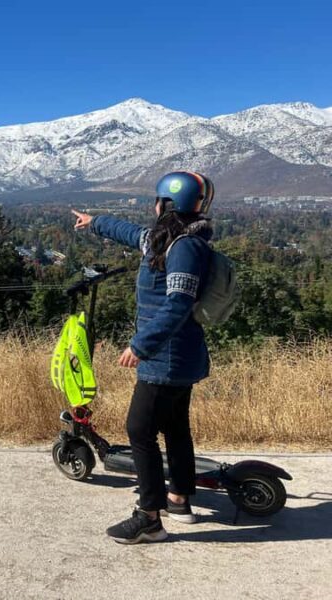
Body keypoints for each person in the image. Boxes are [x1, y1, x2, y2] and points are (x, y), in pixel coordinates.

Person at [72, 171, 215, 544]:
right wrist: (96, 222)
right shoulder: (163, 240)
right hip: (176, 356)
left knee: (140, 430)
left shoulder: (184, 247)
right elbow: (130, 233)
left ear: (164, 203)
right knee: (174, 428)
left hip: (166, 357)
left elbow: (179, 303)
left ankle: (149, 518)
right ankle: (179, 500)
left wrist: (140, 345)